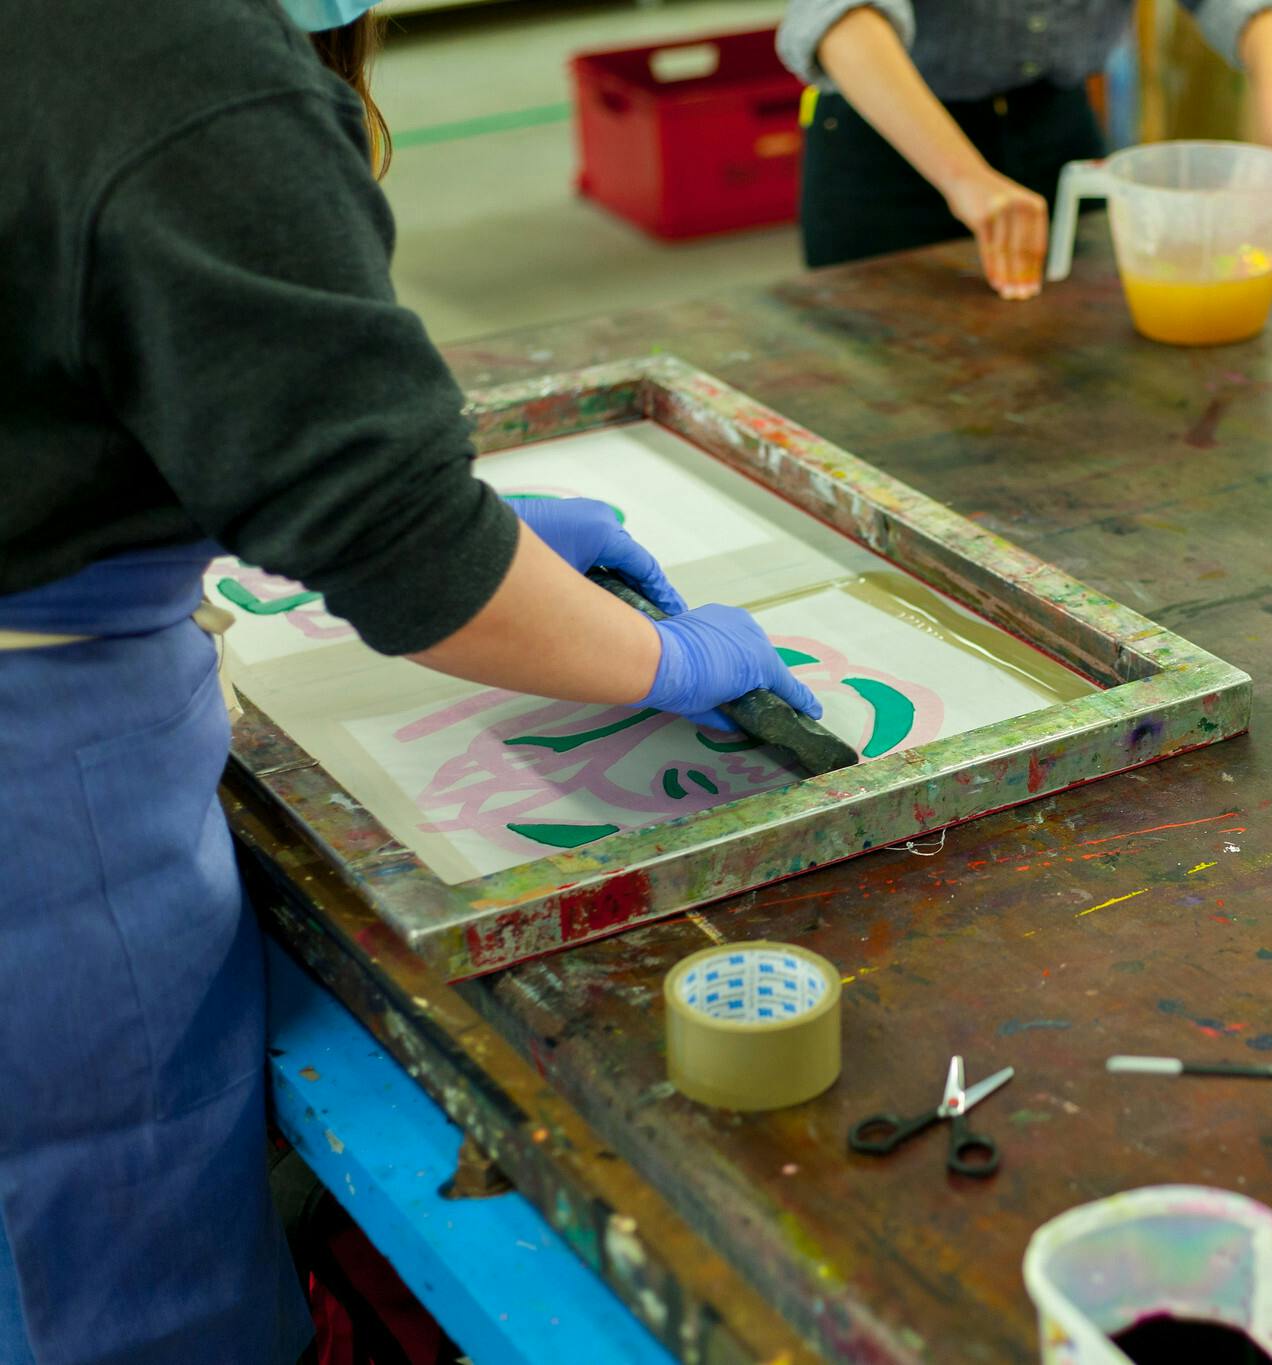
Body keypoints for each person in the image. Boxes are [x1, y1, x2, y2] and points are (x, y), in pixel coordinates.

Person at [0, 1, 817, 1359]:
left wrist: (410, 509)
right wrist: (657, 655)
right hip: (37, 812)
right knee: (95, 1273)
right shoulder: (182, 65)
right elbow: (411, 560)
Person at [778, 1, 1272, 299]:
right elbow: (841, 16)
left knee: (1080, 388)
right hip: (889, 141)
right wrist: (965, 178)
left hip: (1055, 129)